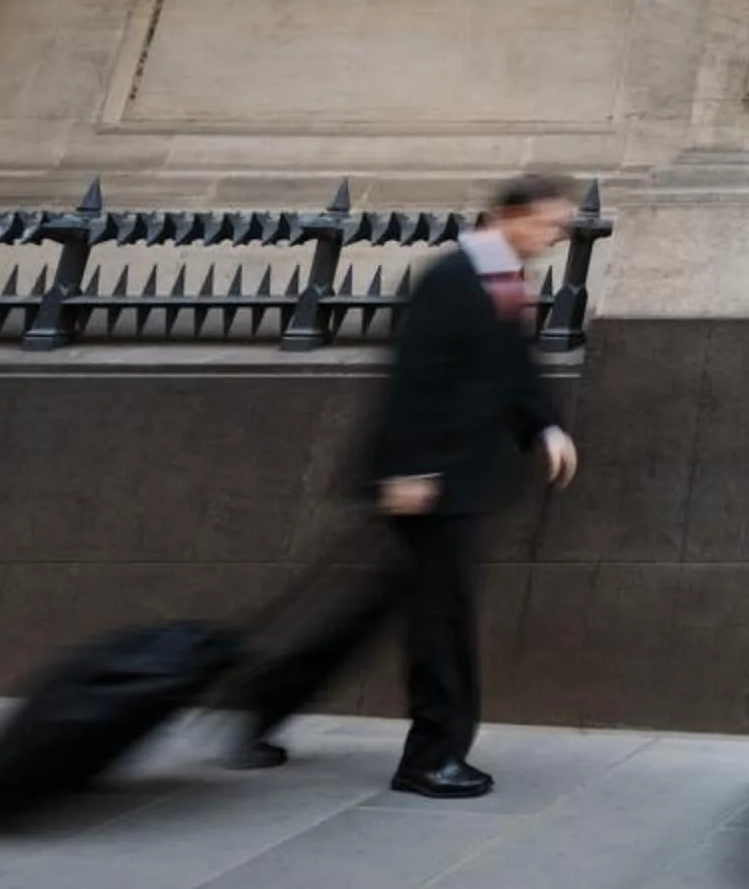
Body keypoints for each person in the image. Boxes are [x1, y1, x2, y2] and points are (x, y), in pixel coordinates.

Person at [229, 173, 581, 798]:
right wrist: (409, 470)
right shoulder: (453, 278)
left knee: (377, 609)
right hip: (432, 479)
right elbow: (415, 378)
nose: (557, 237)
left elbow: (509, 366)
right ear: (509, 216)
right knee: (440, 621)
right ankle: (431, 758)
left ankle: (263, 702)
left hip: (457, 477)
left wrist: (546, 427)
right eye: (549, 223)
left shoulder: (500, 276)